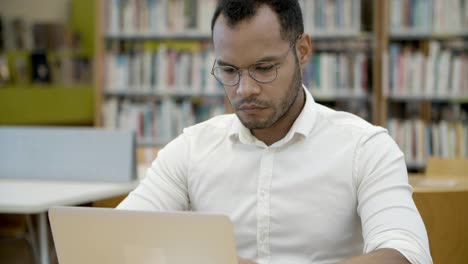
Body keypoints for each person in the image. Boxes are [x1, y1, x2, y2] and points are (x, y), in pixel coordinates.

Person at [117, 1, 432, 263]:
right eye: (228, 70)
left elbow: (406, 254)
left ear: (303, 50)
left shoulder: (366, 147)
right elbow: (117, 235)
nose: (245, 89)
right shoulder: (190, 148)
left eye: (265, 68)